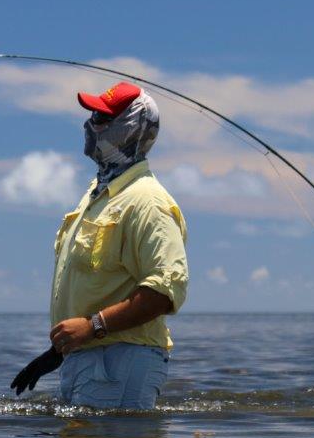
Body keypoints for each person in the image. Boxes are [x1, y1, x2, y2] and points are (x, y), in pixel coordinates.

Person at [10, 81, 189, 410]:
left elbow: (165, 291)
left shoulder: (147, 201)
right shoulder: (98, 196)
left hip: (119, 362)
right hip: (88, 358)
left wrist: (93, 327)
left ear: (130, 127)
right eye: (93, 115)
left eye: (103, 118)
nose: (91, 124)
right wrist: (60, 350)